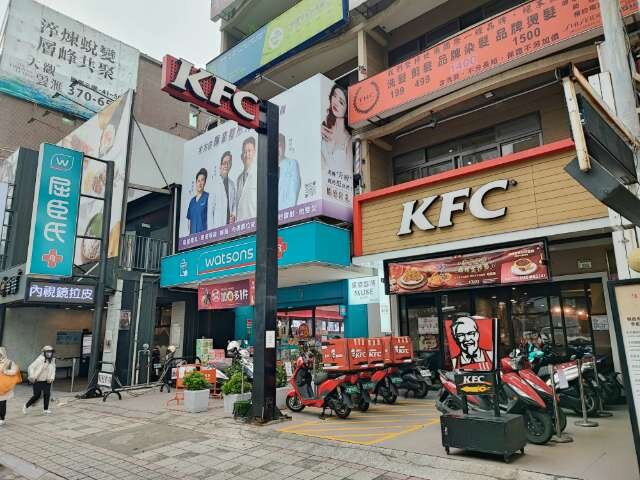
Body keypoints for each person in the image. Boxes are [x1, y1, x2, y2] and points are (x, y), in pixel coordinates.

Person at [321, 85, 353, 174]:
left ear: (347, 111)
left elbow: (348, 172)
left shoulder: (348, 140)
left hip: (336, 180)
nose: (336, 103)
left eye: (341, 102)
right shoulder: (323, 126)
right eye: (334, 96)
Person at [24, 346, 56, 415]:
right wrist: (32, 376)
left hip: (47, 381)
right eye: (48, 352)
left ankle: (46, 409)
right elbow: (31, 367)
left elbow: (53, 370)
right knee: (37, 395)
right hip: (38, 380)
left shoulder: (52, 361)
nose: (49, 353)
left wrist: (51, 378)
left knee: (47, 394)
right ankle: (26, 406)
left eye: (51, 352)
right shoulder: (40, 359)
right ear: (44, 352)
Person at [209, 151, 237, 228]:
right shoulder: (213, 184)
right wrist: (211, 231)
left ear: (231, 165)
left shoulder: (232, 184)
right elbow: (210, 211)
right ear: (220, 166)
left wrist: (233, 215)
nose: (226, 165)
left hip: (229, 227)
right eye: (224, 163)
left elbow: (234, 203)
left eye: (228, 163)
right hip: (217, 227)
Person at [235, 137, 258, 221]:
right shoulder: (239, 179)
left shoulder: (259, 174)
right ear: (242, 155)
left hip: (255, 223)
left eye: (249, 151)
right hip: (241, 225)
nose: (247, 154)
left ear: (254, 152)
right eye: (245, 152)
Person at [278, 133, 301, 209]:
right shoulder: (267, 170)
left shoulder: (292, 164)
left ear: (284, 146)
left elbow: (294, 191)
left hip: (286, 211)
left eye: (279, 145)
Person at [0, 347, 21, 426]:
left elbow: (14, 371)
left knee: (2, 403)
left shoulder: (9, 362)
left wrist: (5, 371)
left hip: (4, 386)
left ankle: (2, 419)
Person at [186, 168, 209, 234]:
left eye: (202, 180)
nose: (200, 183)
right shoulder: (192, 202)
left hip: (204, 235)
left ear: (205, 182)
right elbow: (189, 220)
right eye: (198, 181)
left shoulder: (207, 197)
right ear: (196, 182)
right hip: (193, 237)